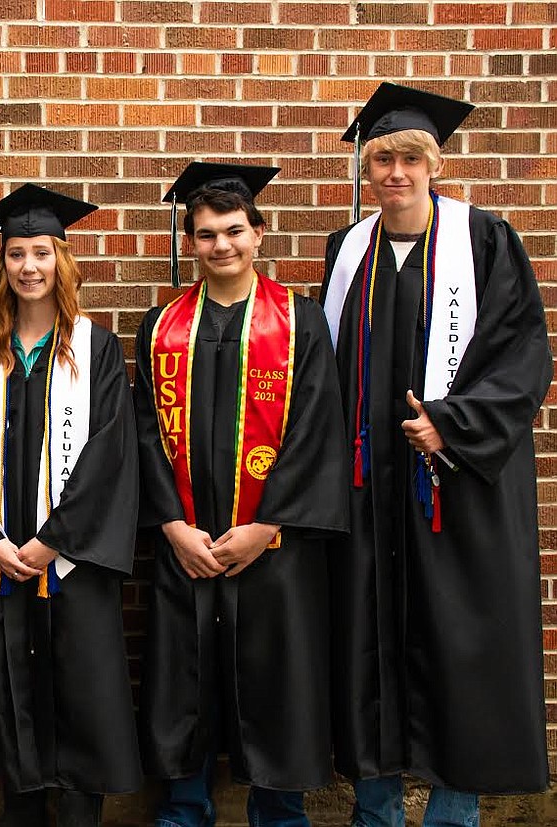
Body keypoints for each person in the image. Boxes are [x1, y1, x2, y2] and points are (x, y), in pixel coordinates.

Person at [321, 82, 551, 827]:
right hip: (367, 491)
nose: (395, 172)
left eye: (410, 158)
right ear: (368, 166)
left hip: (458, 486)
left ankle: (454, 813)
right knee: (368, 647)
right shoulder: (346, 251)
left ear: (435, 163)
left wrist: (451, 424)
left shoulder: (485, 241)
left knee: (463, 648)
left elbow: (523, 357)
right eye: (382, 157)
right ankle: (377, 809)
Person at [135, 163, 348, 827]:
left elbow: (318, 428)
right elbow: (143, 432)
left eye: (233, 231)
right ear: (192, 242)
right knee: (182, 680)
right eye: (205, 235)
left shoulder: (299, 320)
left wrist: (267, 525)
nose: (220, 245)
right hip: (188, 542)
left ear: (258, 233)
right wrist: (171, 524)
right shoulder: (161, 325)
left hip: (273, 547)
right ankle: (183, 810)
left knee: (276, 679)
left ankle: (280, 814)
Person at [0, 184, 141, 827]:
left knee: (82, 686)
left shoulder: (96, 348)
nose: (28, 267)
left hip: (72, 557)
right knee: (12, 682)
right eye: (15, 255)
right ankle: (23, 807)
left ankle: (80, 809)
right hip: (3, 553)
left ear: (62, 259)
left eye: (40, 252)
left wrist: (52, 541)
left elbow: (108, 454)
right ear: (0, 266)